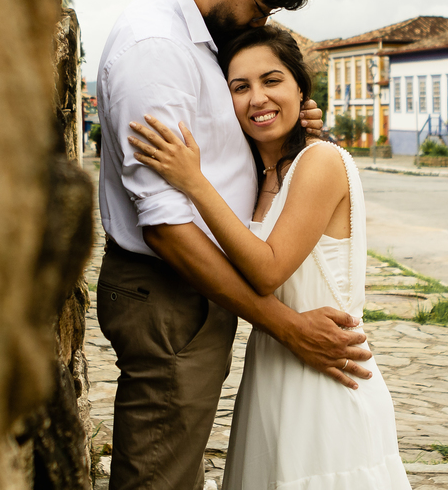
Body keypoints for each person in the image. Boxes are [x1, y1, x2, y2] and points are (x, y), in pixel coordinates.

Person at [95, 0, 372, 490]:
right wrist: (288, 327)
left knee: (177, 467)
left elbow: (220, 153)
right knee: (160, 476)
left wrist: (289, 133)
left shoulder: (198, 40)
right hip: (171, 289)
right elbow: (166, 224)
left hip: (197, 295)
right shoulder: (157, 48)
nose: (258, 20)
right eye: (260, 5)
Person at [128, 26, 410, 489]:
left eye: (272, 80)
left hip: (329, 384)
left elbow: (267, 269)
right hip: (270, 375)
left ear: (302, 89)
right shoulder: (260, 175)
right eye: (240, 87)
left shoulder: (321, 161)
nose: (257, 98)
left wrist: (192, 181)